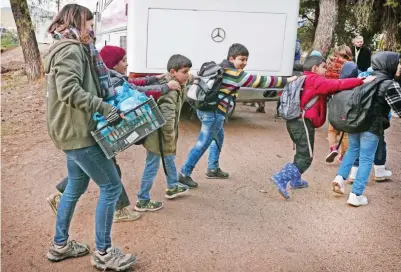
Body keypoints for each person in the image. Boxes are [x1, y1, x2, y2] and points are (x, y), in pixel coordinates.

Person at [44, 4, 136, 270]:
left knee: (75, 186)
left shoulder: (72, 48)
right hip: (78, 133)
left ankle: (59, 245)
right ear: (77, 22)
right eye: (90, 24)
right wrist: (106, 108)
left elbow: (83, 85)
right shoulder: (71, 50)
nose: (93, 30)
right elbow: (69, 91)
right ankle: (105, 253)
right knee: (111, 186)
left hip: (71, 130)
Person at [46, 45, 180, 223]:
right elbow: (135, 90)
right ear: (113, 63)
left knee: (87, 170)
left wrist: (154, 79)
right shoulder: (109, 79)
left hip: (99, 130)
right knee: (108, 174)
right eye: (122, 61)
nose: (126, 64)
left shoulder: (110, 76)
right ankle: (116, 214)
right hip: (105, 129)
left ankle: (62, 197)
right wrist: (163, 88)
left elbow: (132, 83)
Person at [179, 43, 294, 188]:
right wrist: (286, 80)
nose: (244, 63)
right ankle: (184, 173)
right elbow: (261, 81)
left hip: (204, 109)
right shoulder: (235, 74)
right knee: (203, 143)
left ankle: (213, 168)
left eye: (246, 60)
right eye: (241, 59)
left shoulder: (218, 67)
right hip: (214, 113)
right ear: (231, 58)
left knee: (218, 137)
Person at [271, 55, 375, 200]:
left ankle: (296, 180)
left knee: (302, 152)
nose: (326, 70)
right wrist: (360, 81)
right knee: (306, 157)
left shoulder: (302, 78)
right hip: (303, 123)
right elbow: (337, 84)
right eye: (324, 67)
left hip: (294, 121)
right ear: (315, 68)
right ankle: (281, 177)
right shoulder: (315, 79)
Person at [331, 51, 401, 206]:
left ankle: (340, 178)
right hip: (372, 126)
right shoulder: (390, 84)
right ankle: (356, 195)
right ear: (388, 64)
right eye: (397, 63)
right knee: (366, 159)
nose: (399, 66)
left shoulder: (366, 78)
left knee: (352, 150)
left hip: (356, 123)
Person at [135, 54, 193, 211]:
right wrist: (170, 137)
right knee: (152, 165)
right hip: (158, 136)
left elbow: (190, 78)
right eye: (185, 72)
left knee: (169, 158)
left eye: (188, 71)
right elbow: (168, 118)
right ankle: (142, 199)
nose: (187, 75)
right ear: (173, 72)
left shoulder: (177, 81)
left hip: (161, 136)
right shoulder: (171, 90)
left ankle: (172, 186)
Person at [325, 45, 354, 163]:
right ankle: (343, 155)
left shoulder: (330, 64)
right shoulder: (351, 66)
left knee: (332, 128)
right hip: (347, 99)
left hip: (334, 98)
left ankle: (333, 148)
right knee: (345, 131)